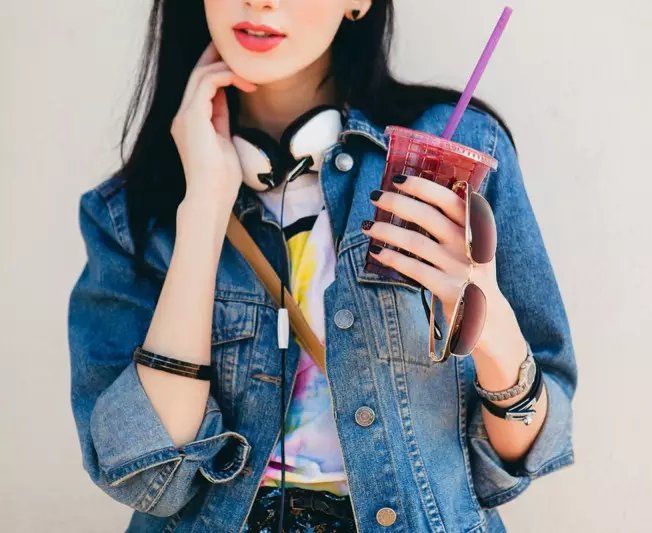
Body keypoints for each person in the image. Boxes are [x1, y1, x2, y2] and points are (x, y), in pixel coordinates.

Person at [67, 1, 578, 531]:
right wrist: (202, 210)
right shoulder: (125, 214)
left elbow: (516, 462)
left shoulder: (454, 154)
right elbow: (148, 475)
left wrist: (492, 330)